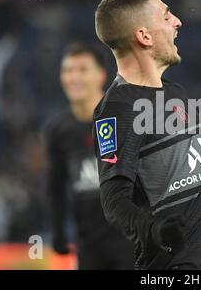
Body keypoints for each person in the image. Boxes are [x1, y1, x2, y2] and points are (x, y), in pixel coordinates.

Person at [93, 0, 201, 270]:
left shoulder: (176, 93)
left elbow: (196, 184)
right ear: (144, 36)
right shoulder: (118, 108)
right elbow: (114, 202)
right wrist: (155, 232)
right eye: (166, 16)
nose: (178, 21)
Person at [42, 43, 134, 269]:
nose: (73, 77)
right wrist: (58, 231)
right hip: (88, 242)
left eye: (82, 69)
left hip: (131, 240)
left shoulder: (125, 117)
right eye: (68, 70)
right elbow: (56, 185)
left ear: (101, 75)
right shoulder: (58, 129)